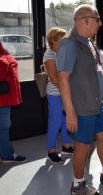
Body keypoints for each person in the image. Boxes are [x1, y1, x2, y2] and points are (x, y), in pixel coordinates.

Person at [57, 4, 103, 195]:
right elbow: (62, 80)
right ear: (85, 20)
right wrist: (70, 113)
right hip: (82, 107)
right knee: (84, 144)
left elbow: (90, 70)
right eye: (97, 19)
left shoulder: (88, 42)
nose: (100, 23)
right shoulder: (69, 44)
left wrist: (100, 79)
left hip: (96, 103)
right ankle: (77, 186)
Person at [43, 27, 74, 163]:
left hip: (64, 92)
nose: (65, 42)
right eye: (62, 40)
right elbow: (54, 79)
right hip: (55, 94)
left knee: (65, 120)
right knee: (55, 122)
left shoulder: (63, 53)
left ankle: (66, 145)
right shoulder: (49, 54)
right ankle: (52, 150)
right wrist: (66, 90)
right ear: (53, 41)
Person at [0, 42, 27, 163]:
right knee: (4, 127)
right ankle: (7, 155)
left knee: (3, 127)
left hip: (5, 99)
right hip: (3, 99)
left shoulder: (3, 52)